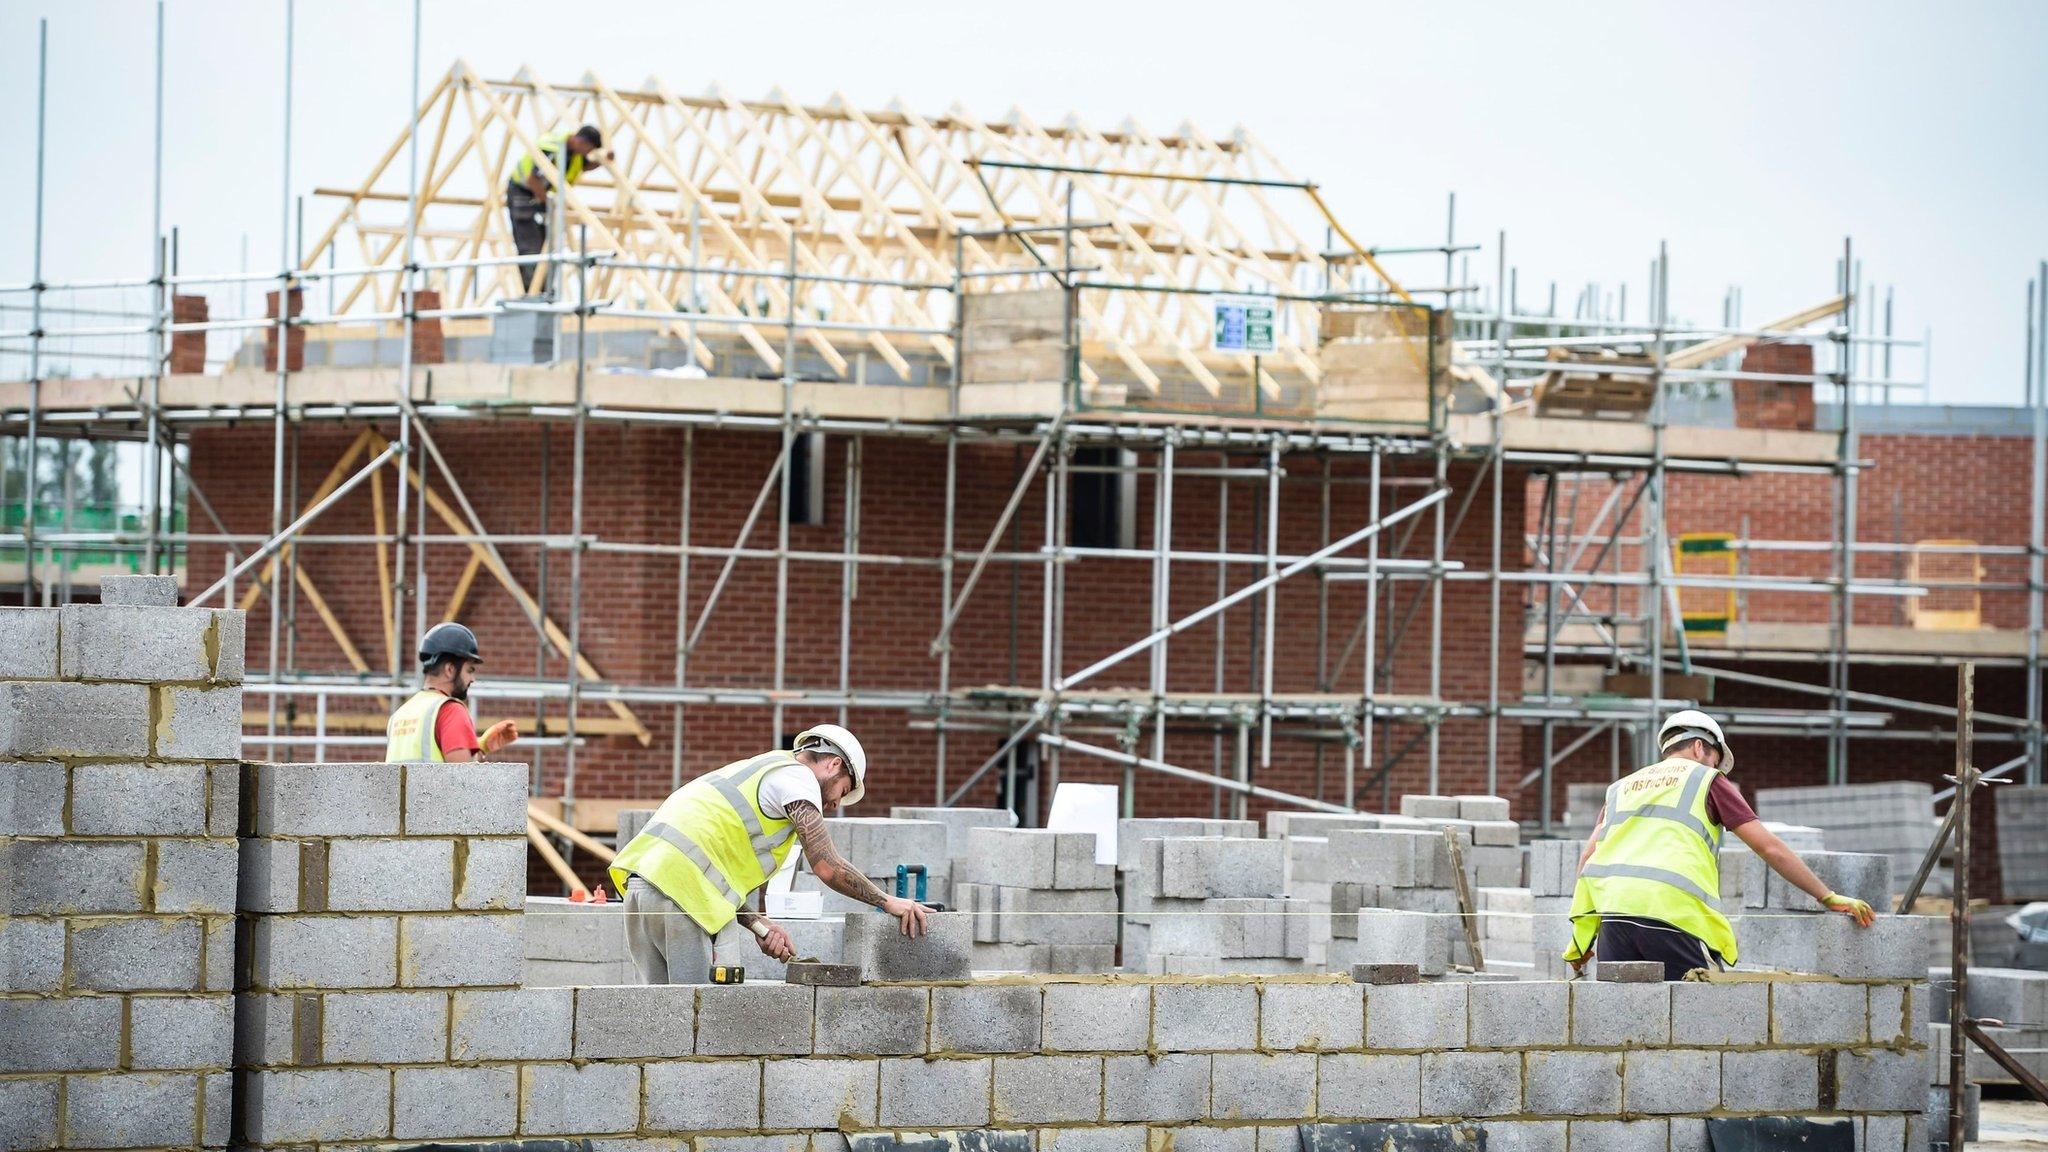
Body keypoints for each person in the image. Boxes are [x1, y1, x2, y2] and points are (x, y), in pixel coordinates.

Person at [1564, 710, 1877, 980]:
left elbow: (1589, 857)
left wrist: (1580, 940)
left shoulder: (1622, 787)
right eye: (1715, 759)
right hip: (1669, 913)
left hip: (1614, 916)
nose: (1715, 768)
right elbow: (1769, 847)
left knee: (1623, 1025)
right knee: (1691, 1020)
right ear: (1700, 747)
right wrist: (1827, 896)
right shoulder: (1706, 780)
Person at [610, 724, 932, 984]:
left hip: (643, 890)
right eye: (842, 791)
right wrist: (888, 901)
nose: (834, 805)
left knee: (658, 1021)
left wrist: (759, 925)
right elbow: (826, 866)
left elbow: (710, 874)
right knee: (702, 1022)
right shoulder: (797, 777)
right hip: (683, 902)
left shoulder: (762, 769)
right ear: (834, 765)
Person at [384, 622, 519, 762]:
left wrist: (482, 746)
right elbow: (461, 778)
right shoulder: (451, 710)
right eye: (469, 670)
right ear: (450, 670)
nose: (472, 679)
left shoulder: (400, 714)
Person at [506, 124, 604, 296]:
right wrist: (550, 203)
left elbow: (586, 165)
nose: (587, 153)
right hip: (523, 192)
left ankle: (543, 291)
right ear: (581, 141)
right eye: (589, 149)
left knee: (547, 243)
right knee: (530, 245)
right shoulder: (552, 148)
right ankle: (532, 292)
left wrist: (604, 159)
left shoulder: (575, 154)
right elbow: (532, 179)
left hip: (544, 198)